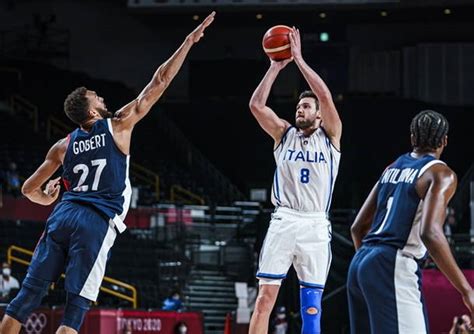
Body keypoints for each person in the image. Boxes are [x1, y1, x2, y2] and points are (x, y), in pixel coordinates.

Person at [0, 12, 215, 334]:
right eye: (96, 98)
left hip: (62, 215)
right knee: (75, 310)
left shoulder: (62, 145)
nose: (102, 98)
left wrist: (48, 197)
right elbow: (159, 82)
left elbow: (30, 190)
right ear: (91, 111)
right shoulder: (118, 125)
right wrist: (188, 41)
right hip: (95, 221)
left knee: (26, 297)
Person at [248, 26, 342, 334]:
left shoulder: (331, 139)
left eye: (306, 106)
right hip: (284, 220)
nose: (299, 109)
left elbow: (325, 96)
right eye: (298, 105)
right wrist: (275, 67)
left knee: (311, 309)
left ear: (318, 115)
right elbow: (256, 106)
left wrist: (299, 60)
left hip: (315, 224)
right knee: (264, 300)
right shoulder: (284, 134)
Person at [347, 110, 474, 334]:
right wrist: (466, 291)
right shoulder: (441, 173)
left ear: (413, 138)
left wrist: (369, 268)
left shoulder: (392, 168)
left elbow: (358, 227)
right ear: (444, 141)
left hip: (360, 262)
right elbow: (431, 233)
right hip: (393, 262)